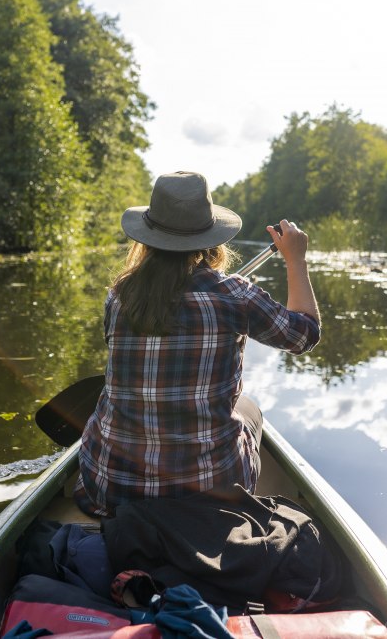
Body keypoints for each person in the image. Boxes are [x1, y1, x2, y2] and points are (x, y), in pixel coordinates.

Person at [74, 171, 320, 517]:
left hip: (110, 493)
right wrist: (296, 260)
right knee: (247, 407)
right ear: (210, 238)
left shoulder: (119, 296)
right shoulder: (234, 294)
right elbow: (305, 334)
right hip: (211, 500)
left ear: (146, 238)